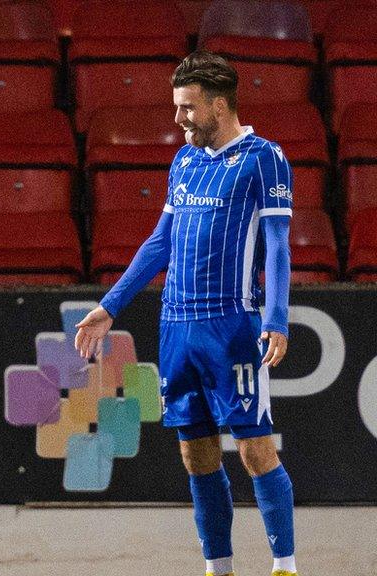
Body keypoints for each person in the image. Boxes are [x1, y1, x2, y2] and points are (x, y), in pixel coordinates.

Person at [73, 50, 296, 576]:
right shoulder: (185, 161)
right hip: (176, 325)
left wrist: (278, 318)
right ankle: (219, 568)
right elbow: (160, 242)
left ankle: (285, 566)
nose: (178, 119)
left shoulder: (264, 158)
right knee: (195, 455)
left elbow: (280, 245)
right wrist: (110, 306)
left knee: (254, 448)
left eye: (188, 108)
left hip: (232, 324)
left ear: (219, 105)